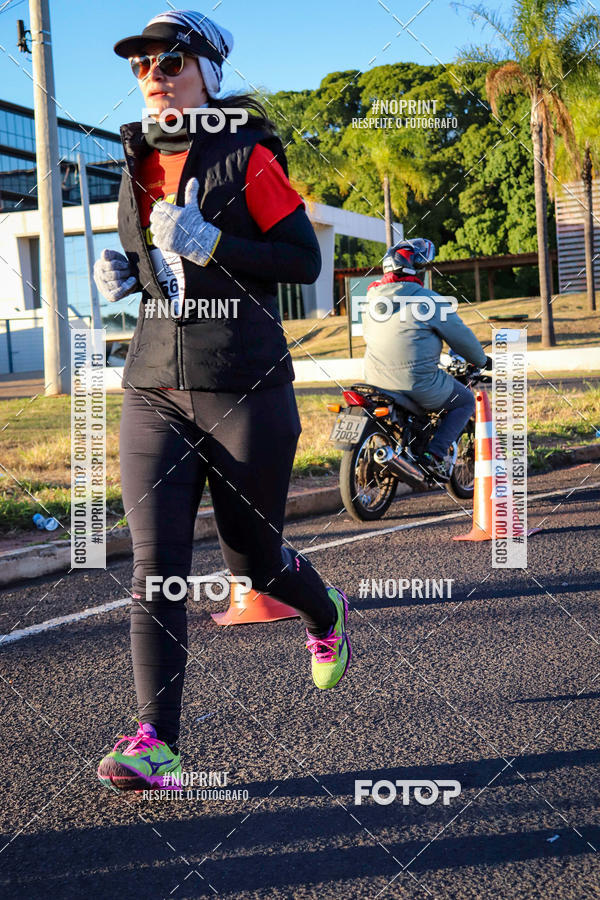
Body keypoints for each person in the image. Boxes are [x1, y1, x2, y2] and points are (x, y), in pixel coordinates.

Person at [94, 9, 351, 793]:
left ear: (207, 72)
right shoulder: (135, 161)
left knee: (256, 564)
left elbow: (302, 261)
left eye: (170, 61)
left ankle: (324, 611)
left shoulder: (247, 155)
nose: (153, 75)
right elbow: (159, 268)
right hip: (154, 387)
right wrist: (129, 274)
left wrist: (214, 243)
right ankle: (156, 744)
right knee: (157, 568)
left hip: (245, 385)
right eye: (140, 65)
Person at [362, 238, 492, 481]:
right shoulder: (428, 301)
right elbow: (461, 337)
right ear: (416, 271)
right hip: (417, 382)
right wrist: (481, 360)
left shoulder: (371, 300)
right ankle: (434, 456)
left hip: (375, 380)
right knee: (464, 401)